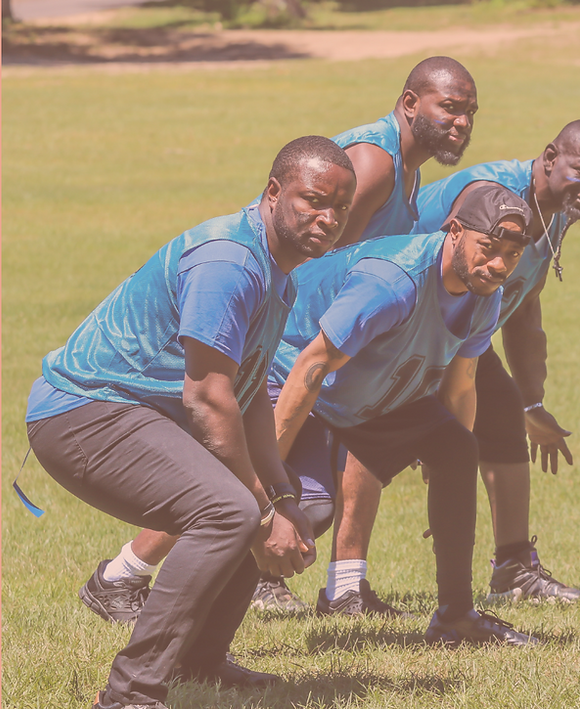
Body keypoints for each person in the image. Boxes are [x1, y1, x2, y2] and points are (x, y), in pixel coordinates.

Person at [82, 55, 480, 618]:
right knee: (241, 474)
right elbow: (323, 258)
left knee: (285, 477)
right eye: (450, 107)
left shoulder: (406, 169)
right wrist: (327, 346)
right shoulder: (374, 164)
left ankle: (343, 585)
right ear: (410, 103)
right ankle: (124, 576)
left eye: (470, 112)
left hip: (324, 337)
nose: (462, 122)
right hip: (298, 341)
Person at [27, 136, 356, 709]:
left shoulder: (280, 272)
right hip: (83, 411)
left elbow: (248, 391)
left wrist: (281, 494)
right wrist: (260, 504)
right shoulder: (229, 262)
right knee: (230, 510)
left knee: (276, 505)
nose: (328, 218)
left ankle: (198, 662)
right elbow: (206, 396)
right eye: (313, 200)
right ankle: (131, 691)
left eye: (340, 208)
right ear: (273, 191)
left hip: (133, 414)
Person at [310, 119, 580, 607]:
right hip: (394, 315)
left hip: (455, 324)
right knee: (371, 424)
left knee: (498, 411)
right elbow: (437, 263)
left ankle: (513, 567)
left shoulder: (555, 210)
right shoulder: (492, 194)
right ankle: (342, 585)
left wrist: (532, 400)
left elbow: (524, 308)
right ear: (551, 156)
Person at [272, 183, 541, 646]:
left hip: (360, 387)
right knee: (300, 509)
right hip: (287, 376)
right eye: (490, 249)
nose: (499, 265)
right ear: (455, 231)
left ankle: (455, 617)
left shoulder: (484, 290)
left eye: (513, 254)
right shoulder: (392, 282)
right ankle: (128, 574)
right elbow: (310, 366)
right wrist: (267, 479)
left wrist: (445, 473)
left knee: (458, 447)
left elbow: (460, 385)